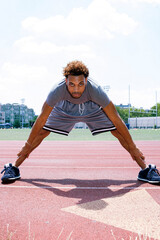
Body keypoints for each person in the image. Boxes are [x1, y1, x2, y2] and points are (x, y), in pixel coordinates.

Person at [1, 60, 160, 184]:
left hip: (92, 109)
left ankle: (145, 169)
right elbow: (41, 119)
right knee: (43, 131)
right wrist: (27, 145)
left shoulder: (96, 90)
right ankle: (13, 167)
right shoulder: (56, 91)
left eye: (80, 84)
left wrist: (133, 147)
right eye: (72, 84)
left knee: (117, 131)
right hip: (64, 110)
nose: (76, 89)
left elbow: (116, 119)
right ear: (65, 81)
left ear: (86, 80)